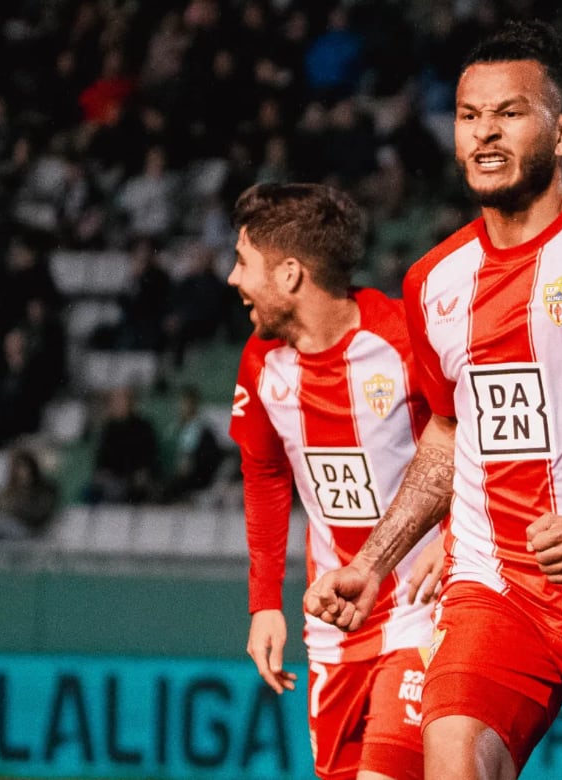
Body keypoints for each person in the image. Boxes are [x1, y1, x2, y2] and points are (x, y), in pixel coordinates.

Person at [304, 21, 562, 780]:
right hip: (494, 590)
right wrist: (375, 559)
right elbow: (446, 434)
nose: (485, 134)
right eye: (469, 116)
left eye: (510, 113)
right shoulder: (433, 283)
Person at [227, 182, 443, 780]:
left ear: (290, 274)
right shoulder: (260, 358)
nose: (232, 279)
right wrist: (264, 604)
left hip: (422, 608)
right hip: (334, 620)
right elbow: (265, 474)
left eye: (243, 262)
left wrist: (455, 540)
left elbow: (470, 447)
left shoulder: (403, 341)